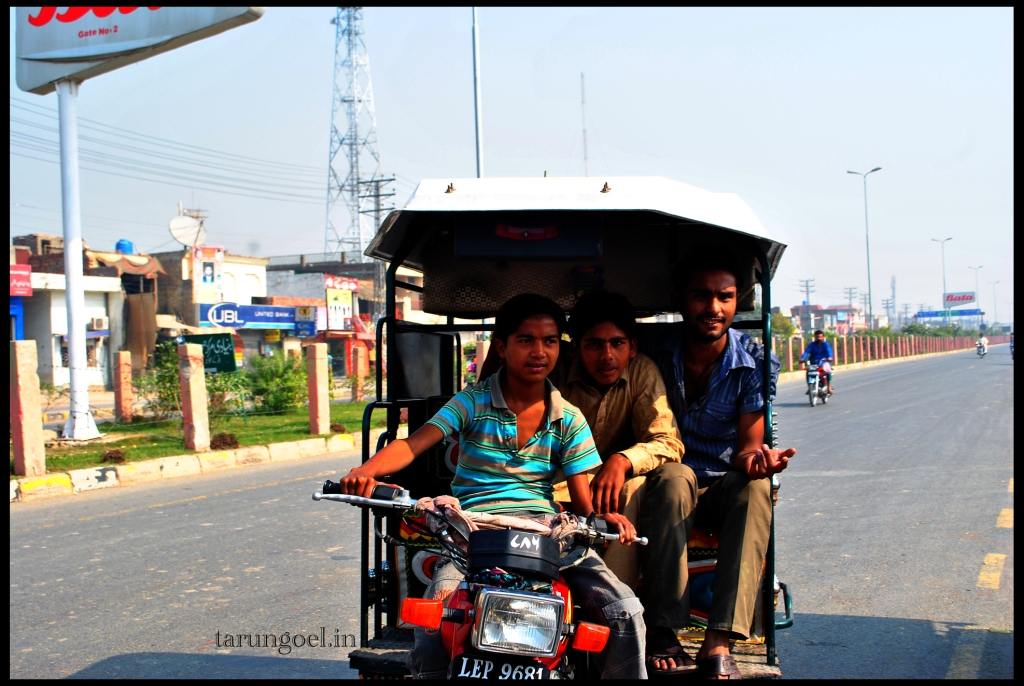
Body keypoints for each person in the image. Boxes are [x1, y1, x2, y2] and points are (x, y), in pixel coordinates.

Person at [339, 293, 647, 680]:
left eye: (550, 341)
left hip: (544, 531)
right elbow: (412, 444)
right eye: (526, 340)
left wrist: (603, 520)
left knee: (625, 612)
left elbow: (583, 504)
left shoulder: (569, 418)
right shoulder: (472, 401)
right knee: (437, 616)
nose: (539, 351)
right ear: (501, 346)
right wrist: (363, 473)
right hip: (472, 532)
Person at [649, 253, 796, 680]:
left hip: (720, 484)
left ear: (738, 302)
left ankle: (720, 639)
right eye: (702, 296)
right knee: (676, 477)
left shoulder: (752, 360)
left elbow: (747, 449)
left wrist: (761, 462)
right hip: (665, 483)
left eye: (724, 297)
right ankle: (664, 628)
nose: (713, 308)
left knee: (757, 489)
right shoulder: (656, 351)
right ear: (682, 299)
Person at [558, 290, 699, 676]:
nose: (607, 356)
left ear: (632, 346)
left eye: (617, 344)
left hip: (622, 486)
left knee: (651, 483)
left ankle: (636, 621)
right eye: (595, 345)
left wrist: (623, 460)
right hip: (560, 486)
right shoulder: (555, 376)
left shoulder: (642, 372)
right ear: (576, 348)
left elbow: (667, 441)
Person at [799, 329, 835, 395]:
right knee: (808, 372)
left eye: (820, 337)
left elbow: (829, 352)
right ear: (815, 337)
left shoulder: (826, 345)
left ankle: (829, 387)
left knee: (828, 371)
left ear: (823, 337)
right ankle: (810, 387)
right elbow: (806, 352)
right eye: (817, 337)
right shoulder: (811, 345)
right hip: (814, 363)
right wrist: (802, 359)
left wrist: (829, 357)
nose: (819, 338)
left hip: (824, 363)